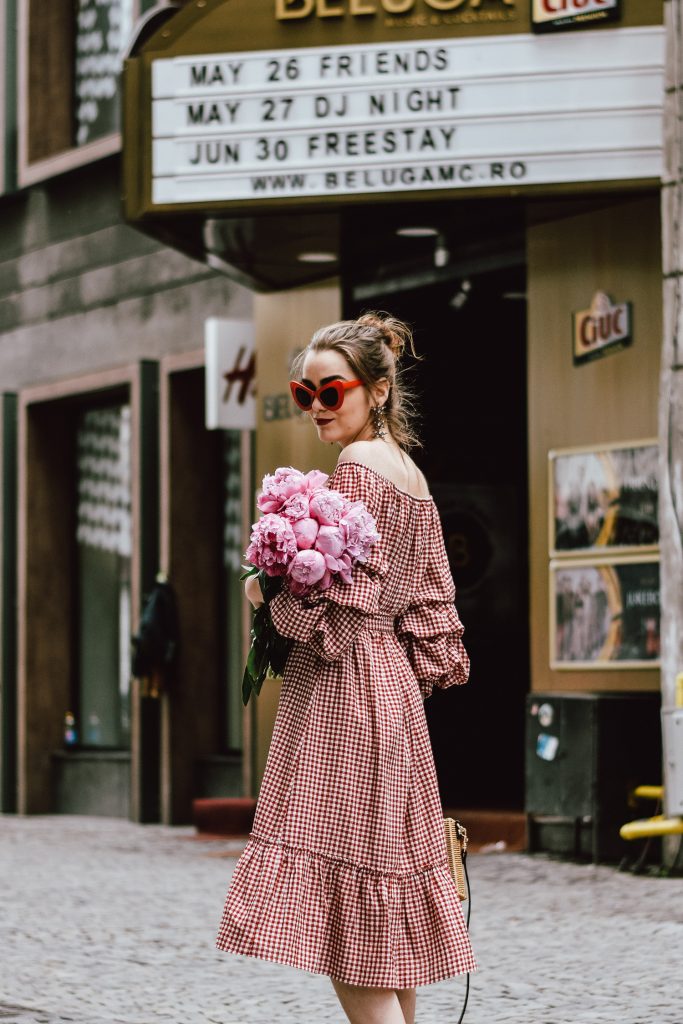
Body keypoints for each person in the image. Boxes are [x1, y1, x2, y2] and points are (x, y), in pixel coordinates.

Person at [215, 312, 476, 1024]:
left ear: (380, 390)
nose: (317, 408)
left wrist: (263, 591)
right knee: (381, 902)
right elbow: (431, 614)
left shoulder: (357, 471)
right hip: (390, 694)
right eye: (305, 394)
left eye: (332, 392)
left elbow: (330, 616)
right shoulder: (413, 478)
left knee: (346, 918)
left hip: (342, 693)